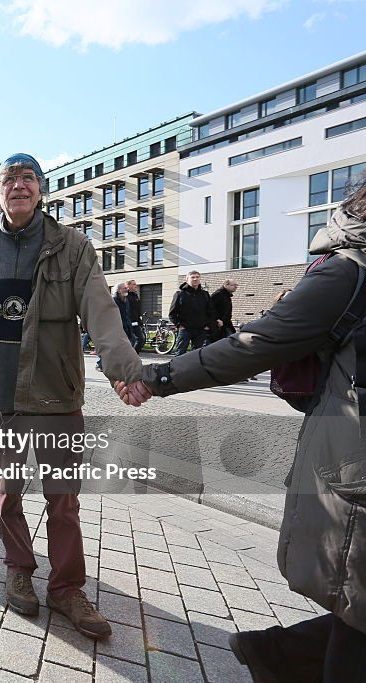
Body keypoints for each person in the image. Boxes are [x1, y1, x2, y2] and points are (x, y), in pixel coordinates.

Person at [115, 179, 366, 683]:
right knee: (358, 616)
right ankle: (276, 653)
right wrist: (155, 375)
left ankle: (275, 653)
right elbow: (255, 344)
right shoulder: (348, 273)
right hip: (354, 467)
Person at [0, 152, 143, 640]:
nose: (18, 186)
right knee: (7, 494)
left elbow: (101, 311)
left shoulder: (73, 247)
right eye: (8, 179)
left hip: (55, 396)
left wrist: (124, 370)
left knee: (63, 500)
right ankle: (19, 567)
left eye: (28, 179)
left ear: (42, 189)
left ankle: (66, 589)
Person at [168, 270, 216, 355]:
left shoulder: (204, 294)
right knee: (180, 353)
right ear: (187, 279)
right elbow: (172, 313)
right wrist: (179, 325)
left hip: (201, 329)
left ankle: (194, 368)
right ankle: (177, 368)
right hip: (185, 329)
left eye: (197, 277)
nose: (195, 279)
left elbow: (211, 311)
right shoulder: (180, 294)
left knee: (197, 355)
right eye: (192, 277)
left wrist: (208, 325)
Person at [125, 279, 143, 352]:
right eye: (133, 284)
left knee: (140, 340)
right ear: (128, 286)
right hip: (128, 323)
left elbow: (137, 310)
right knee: (130, 341)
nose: (136, 286)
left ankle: (133, 356)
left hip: (136, 323)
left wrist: (139, 320)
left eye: (135, 284)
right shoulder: (126, 296)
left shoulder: (135, 296)